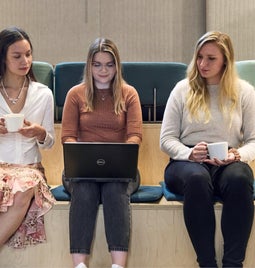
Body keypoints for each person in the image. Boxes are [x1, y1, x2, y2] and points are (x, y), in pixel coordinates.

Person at [160, 31, 255, 268]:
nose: (203, 64)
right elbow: (167, 139)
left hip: (227, 159)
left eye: (211, 58)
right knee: (196, 179)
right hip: (186, 162)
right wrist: (189, 153)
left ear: (226, 60)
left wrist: (238, 155)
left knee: (240, 179)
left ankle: (233, 264)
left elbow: (254, 140)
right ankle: (207, 263)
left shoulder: (244, 91)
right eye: (200, 57)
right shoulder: (182, 89)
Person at [61, 38, 143, 268]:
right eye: (97, 64)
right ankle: (79, 264)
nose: (103, 70)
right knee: (84, 189)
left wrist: (125, 152)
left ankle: (118, 264)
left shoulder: (129, 94)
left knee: (115, 189)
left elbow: (135, 135)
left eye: (109, 64)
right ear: (89, 66)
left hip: (120, 171)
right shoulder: (75, 94)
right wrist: (77, 153)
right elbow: (67, 136)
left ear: (117, 66)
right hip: (81, 170)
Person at [0, 26, 55, 249]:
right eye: (17, 56)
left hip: (29, 167)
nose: (25, 60)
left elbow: (50, 142)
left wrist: (39, 133)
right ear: (2, 58)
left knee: (23, 189)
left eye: (28, 54)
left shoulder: (43, 93)